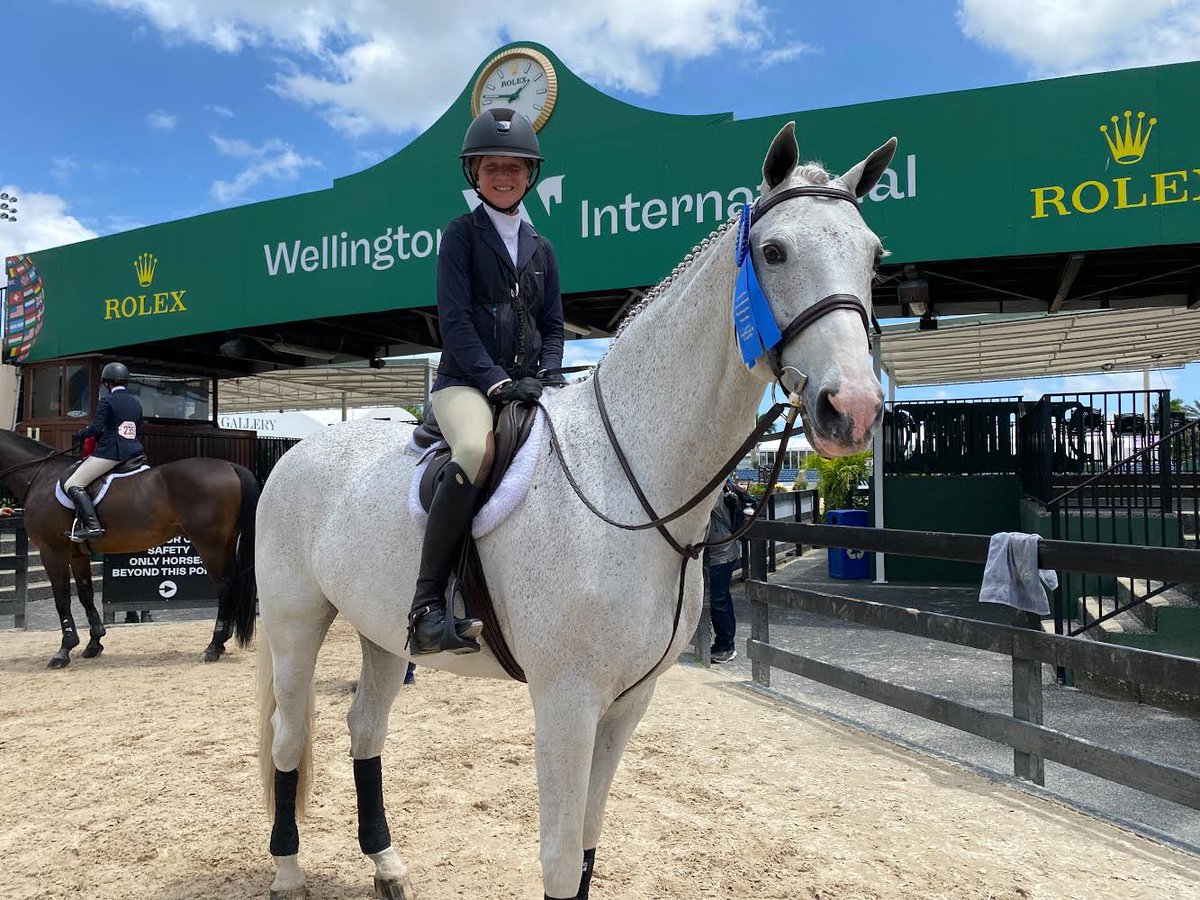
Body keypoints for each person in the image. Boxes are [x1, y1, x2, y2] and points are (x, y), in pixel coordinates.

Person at [406, 107, 564, 656]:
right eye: (492, 166)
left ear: (530, 175)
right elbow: (455, 323)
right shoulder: (460, 236)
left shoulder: (541, 248)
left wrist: (549, 373)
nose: (503, 176)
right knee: (474, 448)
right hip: (465, 386)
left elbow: (551, 324)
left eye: (515, 168)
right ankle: (426, 607)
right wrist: (497, 383)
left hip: (525, 384)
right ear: (475, 172)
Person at [64, 362, 144, 542]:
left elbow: (94, 429)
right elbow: (136, 429)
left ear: (107, 383)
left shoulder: (106, 401)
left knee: (73, 484)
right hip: (135, 452)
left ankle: (92, 527)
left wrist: (79, 435)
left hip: (112, 453)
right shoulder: (135, 403)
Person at [704, 477, 754, 663]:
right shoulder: (724, 487)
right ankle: (723, 644)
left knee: (719, 600)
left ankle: (726, 646)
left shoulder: (715, 491)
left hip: (720, 553)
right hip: (724, 551)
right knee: (720, 598)